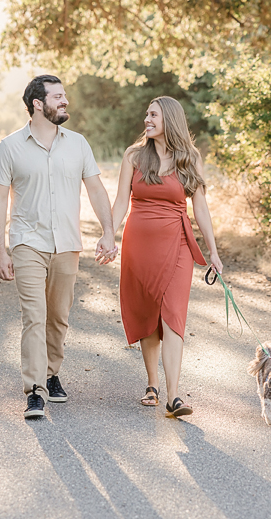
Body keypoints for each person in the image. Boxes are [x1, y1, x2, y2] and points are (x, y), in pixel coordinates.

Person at [0, 75, 117, 420]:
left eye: (65, 96)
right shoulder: (10, 146)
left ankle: (51, 371)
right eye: (58, 97)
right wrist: (1, 250)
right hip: (27, 242)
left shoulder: (78, 144)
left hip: (67, 244)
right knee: (34, 316)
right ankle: (35, 391)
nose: (65, 102)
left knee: (58, 316)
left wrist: (109, 232)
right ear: (37, 104)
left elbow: (95, 190)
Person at [110, 96, 223, 417]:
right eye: (146, 113)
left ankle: (173, 396)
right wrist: (108, 234)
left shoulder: (190, 158)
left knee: (172, 315)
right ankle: (152, 383)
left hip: (177, 245)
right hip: (138, 244)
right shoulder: (133, 156)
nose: (147, 119)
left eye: (153, 114)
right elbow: (120, 202)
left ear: (169, 120)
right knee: (146, 312)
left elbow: (200, 207)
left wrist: (213, 251)